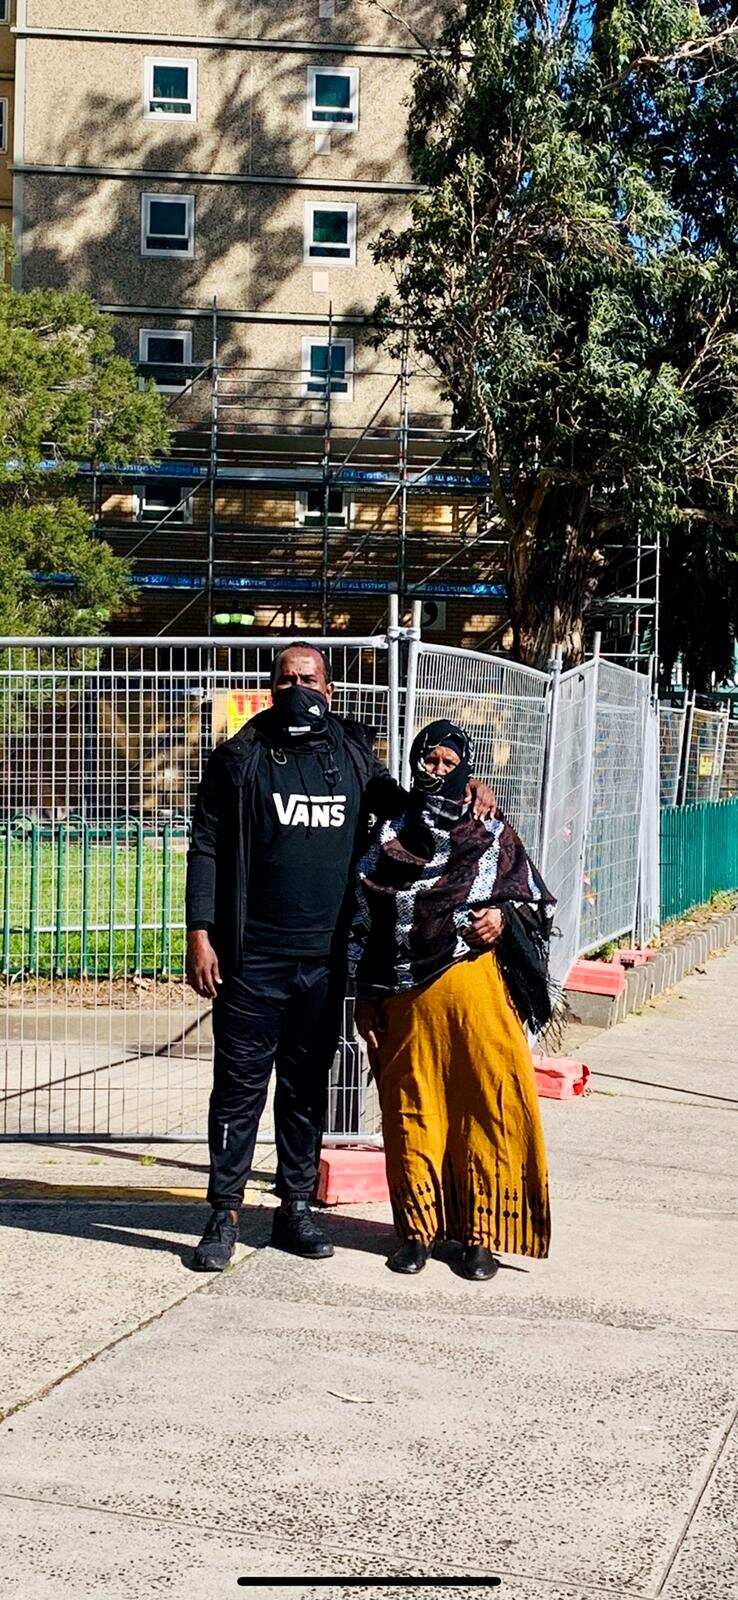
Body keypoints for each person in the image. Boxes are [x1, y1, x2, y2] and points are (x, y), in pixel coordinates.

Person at [185, 645, 498, 1272]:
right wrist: (200, 934)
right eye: (286, 679)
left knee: (306, 1090)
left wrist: (468, 787)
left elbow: (406, 805)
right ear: (270, 687)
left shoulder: (351, 753)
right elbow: (207, 846)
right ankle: (223, 1215)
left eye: (310, 678)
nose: (299, 688)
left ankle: (294, 1208)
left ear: (329, 687)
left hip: (325, 961)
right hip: (252, 959)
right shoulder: (240, 758)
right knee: (238, 1090)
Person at [352, 718, 555, 1282]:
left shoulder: (488, 826)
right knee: (411, 1108)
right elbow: (365, 916)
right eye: (427, 761)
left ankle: (480, 1237)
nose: (436, 771)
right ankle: (416, 1232)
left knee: (486, 1104)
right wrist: (365, 995)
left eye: (447, 762)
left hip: (477, 989)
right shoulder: (389, 828)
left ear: (465, 766)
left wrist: (501, 915)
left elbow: (531, 896)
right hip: (404, 993)